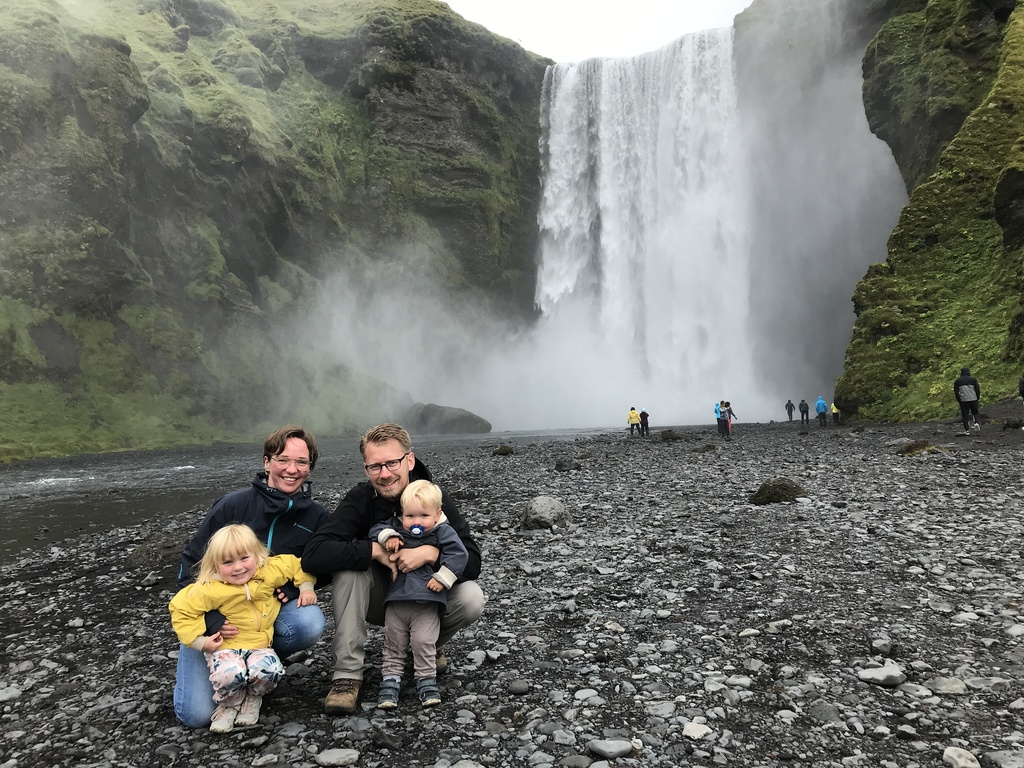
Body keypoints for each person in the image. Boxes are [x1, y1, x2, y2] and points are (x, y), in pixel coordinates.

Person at [301, 423, 485, 715]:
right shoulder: (361, 500)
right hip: (382, 600)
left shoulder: (433, 500)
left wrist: (430, 553)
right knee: (349, 570)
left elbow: (473, 560)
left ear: (409, 460)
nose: (384, 474)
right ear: (366, 468)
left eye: (392, 463)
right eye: (375, 466)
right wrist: (373, 551)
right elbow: (314, 553)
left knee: (472, 597)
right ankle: (347, 677)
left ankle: (423, 647)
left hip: (427, 595)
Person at [173, 426, 329, 729]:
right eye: (283, 460)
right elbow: (188, 569)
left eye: (301, 462)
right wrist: (210, 621)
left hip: (263, 617)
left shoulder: (316, 518)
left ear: (310, 467)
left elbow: (319, 567)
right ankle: (225, 666)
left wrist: (297, 590)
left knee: (310, 622)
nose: (291, 470)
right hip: (216, 618)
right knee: (196, 716)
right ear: (267, 462)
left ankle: (257, 674)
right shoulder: (234, 505)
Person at [169, 524, 318, 733]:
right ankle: (229, 704)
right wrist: (200, 642)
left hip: (260, 645)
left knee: (271, 670)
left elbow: (297, 565)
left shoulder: (269, 570)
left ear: (258, 555)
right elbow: (180, 609)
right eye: (228, 562)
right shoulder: (209, 588)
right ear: (215, 565)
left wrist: (305, 587)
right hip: (226, 648)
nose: (238, 568)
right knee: (228, 676)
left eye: (244, 559)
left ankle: (253, 697)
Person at [369, 480, 469, 709]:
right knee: (393, 643)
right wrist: (387, 536)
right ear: (402, 515)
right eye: (410, 516)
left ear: (437, 514)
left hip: (427, 601)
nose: (416, 522)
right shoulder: (397, 529)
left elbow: (459, 555)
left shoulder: (442, 532)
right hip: (397, 601)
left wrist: (442, 578)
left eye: (423, 515)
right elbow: (375, 529)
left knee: (423, 642)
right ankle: (390, 681)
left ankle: (426, 680)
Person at [954, 366, 981, 434]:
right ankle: (976, 423)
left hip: (963, 400)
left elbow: (956, 392)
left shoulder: (958, 381)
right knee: (975, 412)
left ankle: (967, 430)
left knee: (965, 415)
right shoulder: (973, 380)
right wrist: (977, 397)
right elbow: (977, 389)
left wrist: (959, 399)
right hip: (973, 398)